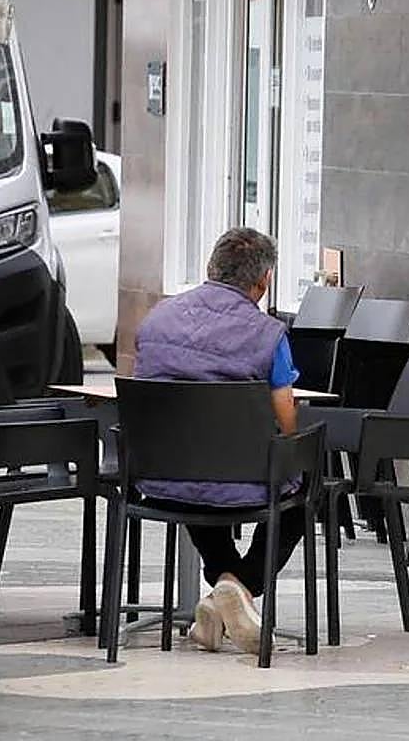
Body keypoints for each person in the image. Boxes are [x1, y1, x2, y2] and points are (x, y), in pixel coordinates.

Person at [132, 227, 303, 652]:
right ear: (264, 281)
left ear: (210, 268)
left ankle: (222, 593)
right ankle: (237, 584)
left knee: (196, 474)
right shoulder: (268, 335)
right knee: (302, 496)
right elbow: (287, 423)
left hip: (162, 477)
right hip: (241, 479)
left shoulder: (156, 319)